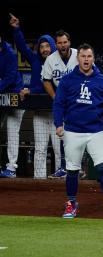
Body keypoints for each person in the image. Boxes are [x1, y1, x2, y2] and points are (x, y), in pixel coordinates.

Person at [53, 43, 103, 218]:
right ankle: (71, 203)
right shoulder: (67, 80)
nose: (86, 59)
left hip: (96, 131)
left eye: (89, 56)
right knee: (72, 170)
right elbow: (59, 104)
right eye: (83, 56)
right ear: (77, 58)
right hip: (72, 131)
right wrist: (58, 124)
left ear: (93, 59)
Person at [9, 13, 63, 179]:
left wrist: (31, 91)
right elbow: (22, 47)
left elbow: (51, 86)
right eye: (42, 46)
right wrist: (16, 29)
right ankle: (39, 181)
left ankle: (62, 180)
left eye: (48, 46)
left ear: (53, 46)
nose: (45, 49)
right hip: (39, 113)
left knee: (58, 149)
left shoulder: (59, 62)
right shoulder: (35, 60)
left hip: (56, 113)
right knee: (39, 149)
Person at [41, 29, 79, 178]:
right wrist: (56, 97)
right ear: (56, 44)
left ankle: (79, 167)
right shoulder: (51, 59)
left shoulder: (78, 54)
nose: (62, 45)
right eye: (59, 43)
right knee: (65, 135)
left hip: (79, 100)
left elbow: (94, 71)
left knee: (81, 134)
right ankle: (64, 167)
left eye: (65, 42)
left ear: (69, 42)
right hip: (64, 102)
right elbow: (46, 81)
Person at [0, 36, 24, 178]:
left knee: (12, 131)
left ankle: (11, 168)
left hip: (14, 94)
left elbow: (10, 77)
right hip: (2, 94)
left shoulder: (9, 53)